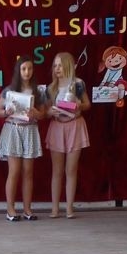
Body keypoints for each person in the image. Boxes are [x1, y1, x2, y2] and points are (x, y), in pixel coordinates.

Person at [0, 54, 45, 221]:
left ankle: (27, 209)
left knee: (28, 172)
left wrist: (36, 113)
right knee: (14, 171)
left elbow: (43, 114)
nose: (27, 72)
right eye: (23, 69)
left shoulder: (38, 91)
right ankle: (10, 209)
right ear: (18, 71)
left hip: (30, 130)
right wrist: (6, 112)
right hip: (13, 129)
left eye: (29, 68)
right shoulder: (10, 90)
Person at [45, 52, 91, 219]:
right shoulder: (51, 88)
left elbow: (87, 104)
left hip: (75, 126)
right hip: (57, 127)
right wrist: (50, 112)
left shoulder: (78, 84)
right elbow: (46, 111)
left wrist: (79, 105)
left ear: (68, 66)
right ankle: (55, 208)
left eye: (60, 65)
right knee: (57, 171)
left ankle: (69, 208)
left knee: (71, 170)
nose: (57, 68)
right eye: (55, 65)